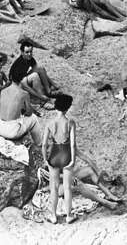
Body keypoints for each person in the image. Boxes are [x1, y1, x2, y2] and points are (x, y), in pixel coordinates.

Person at [42, 94, 77, 224]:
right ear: (67, 108)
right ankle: (68, 216)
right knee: (67, 187)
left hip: (54, 154)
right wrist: (72, 160)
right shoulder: (70, 123)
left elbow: (44, 144)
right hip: (66, 154)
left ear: (55, 106)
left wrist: (46, 159)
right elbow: (73, 144)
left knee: (54, 187)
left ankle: (53, 216)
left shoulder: (50, 123)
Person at [0, 71, 43, 143]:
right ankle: (39, 143)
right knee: (33, 118)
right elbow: (29, 113)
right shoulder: (24, 94)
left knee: (2, 115)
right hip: (12, 132)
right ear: (22, 79)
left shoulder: (3, 91)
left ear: (10, 78)